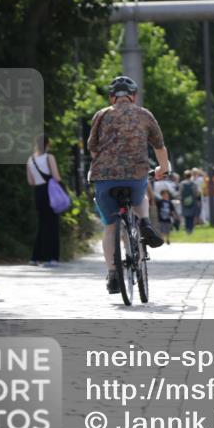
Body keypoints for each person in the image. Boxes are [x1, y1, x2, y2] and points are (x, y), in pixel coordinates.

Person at [88, 75, 170, 295]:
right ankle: (144, 223)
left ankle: (113, 275)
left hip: (104, 178)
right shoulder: (144, 115)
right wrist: (163, 169)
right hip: (135, 175)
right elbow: (159, 147)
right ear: (133, 96)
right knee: (140, 196)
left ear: (112, 97)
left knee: (110, 226)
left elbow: (92, 148)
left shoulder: (101, 115)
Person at [26, 134, 62, 268]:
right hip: (50, 192)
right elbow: (56, 177)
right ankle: (51, 258)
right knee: (52, 225)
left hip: (38, 192)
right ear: (48, 144)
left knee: (42, 224)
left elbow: (30, 181)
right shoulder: (49, 157)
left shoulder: (30, 159)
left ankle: (35, 257)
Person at [179, 170, 201, 234]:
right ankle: (191, 229)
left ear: (184, 176)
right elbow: (197, 193)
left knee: (186, 215)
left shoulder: (182, 183)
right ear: (191, 175)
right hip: (193, 201)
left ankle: (187, 229)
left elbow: (180, 193)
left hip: (184, 201)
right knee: (192, 215)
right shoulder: (194, 183)